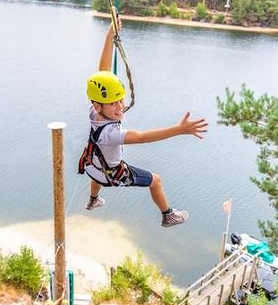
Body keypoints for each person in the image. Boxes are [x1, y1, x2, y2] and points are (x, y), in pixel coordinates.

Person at [80, 23, 208, 227]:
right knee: (155, 180)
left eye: (120, 100)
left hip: (93, 166)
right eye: (113, 103)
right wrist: (179, 129)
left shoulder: (93, 111)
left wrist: (109, 34)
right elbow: (142, 137)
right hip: (112, 175)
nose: (119, 106)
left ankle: (94, 200)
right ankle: (168, 215)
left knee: (98, 169)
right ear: (99, 106)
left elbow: (103, 71)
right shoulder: (112, 133)